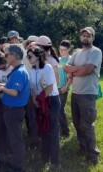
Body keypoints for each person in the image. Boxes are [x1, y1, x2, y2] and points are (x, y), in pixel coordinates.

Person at [64, 27, 102, 165]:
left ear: (93, 38)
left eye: (88, 36)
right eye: (83, 35)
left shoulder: (96, 52)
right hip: (75, 92)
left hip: (88, 94)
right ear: (80, 37)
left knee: (87, 125)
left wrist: (73, 71)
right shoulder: (77, 52)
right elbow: (66, 67)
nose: (86, 38)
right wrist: (77, 70)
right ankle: (83, 148)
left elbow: (87, 70)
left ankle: (93, 156)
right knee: (77, 124)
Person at [0, 44, 30, 171]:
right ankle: (12, 161)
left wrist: (2, 88)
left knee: (15, 139)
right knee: (11, 137)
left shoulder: (19, 72)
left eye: (7, 54)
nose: (5, 57)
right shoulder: (16, 70)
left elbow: (14, 92)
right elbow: (10, 86)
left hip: (14, 110)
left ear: (14, 56)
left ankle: (18, 166)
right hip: (11, 109)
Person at [27, 46, 61, 169]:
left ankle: (55, 161)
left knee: (52, 130)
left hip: (50, 101)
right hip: (40, 101)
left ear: (38, 56)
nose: (28, 58)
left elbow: (50, 87)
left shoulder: (47, 67)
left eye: (30, 56)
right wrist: (35, 100)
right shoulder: (33, 70)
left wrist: (39, 100)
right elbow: (32, 88)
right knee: (43, 128)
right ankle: (45, 156)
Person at [58, 40, 72, 137]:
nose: (61, 51)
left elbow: (71, 76)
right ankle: (59, 129)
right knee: (57, 110)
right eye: (60, 49)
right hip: (56, 88)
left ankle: (65, 131)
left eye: (64, 50)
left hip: (63, 88)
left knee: (60, 109)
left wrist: (66, 87)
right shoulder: (58, 59)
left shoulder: (71, 60)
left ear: (69, 50)